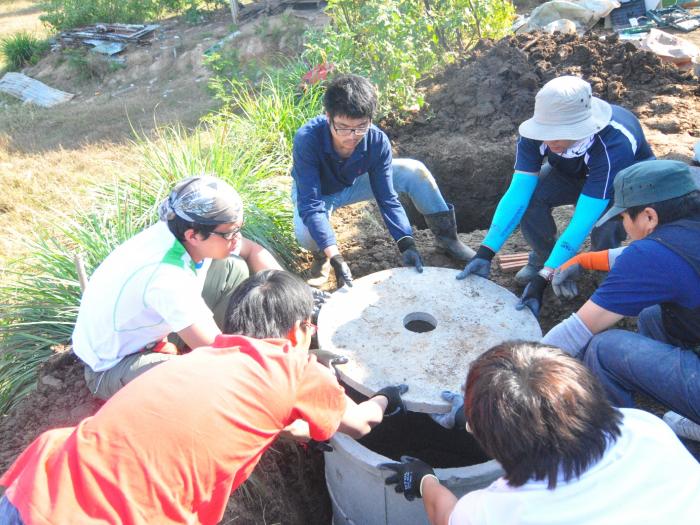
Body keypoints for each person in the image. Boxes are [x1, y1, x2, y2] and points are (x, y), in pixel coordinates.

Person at [0, 270, 407, 525]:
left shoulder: (203, 358)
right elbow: (360, 424)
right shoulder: (294, 368)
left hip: (39, 482)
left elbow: (259, 419)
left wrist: (302, 427)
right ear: (301, 331)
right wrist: (385, 399)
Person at [381, 341, 700, 525]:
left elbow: (444, 515)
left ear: (497, 445)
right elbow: (552, 418)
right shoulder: (644, 427)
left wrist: (424, 479)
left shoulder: (501, 512)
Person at [71, 175, 290, 400]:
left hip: (149, 330)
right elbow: (217, 350)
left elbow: (251, 250)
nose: (237, 239)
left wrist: (291, 294)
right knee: (203, 383)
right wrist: (278, 366)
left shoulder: (182, 231)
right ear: (193, 235)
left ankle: (195, 344)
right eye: (230, 233)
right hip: (112, 367)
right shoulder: (167, 276)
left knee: (233, 268)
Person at [457, 75, 654, 317]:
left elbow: (583, 219)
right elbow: (518, 193)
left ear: (580, 128)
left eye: (558, 135)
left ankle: (596, 270)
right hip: (571, 170)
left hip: (625, 178)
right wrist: (486, 252)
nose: (550, 141)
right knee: (532, 198)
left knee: (605, 224)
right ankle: (544, 258)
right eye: (545, 133)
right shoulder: (537, 134)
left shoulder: (613, 144)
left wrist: (542, 280)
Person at [543, 159, 700, 442]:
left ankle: (622, 443)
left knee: (605, 349)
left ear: (649, 217)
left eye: (624, 217)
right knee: (654, 315)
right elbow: (671, 259)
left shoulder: (653, 257)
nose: (624, 227)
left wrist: (504, 379)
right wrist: (587, 259)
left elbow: (577, 329)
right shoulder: (690, 225)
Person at [292, 73, 474, 288]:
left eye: (361, 126)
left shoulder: (376, 141)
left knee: (414, 171)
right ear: (328, 116)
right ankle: (321, 257)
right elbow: (311, 204)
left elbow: (386, 197)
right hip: (319, 192)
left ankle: (448, 239)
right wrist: (335, 256)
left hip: (354, 182)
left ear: (370, 119)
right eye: (342, 127)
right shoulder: (307, 139)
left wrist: (406, 244)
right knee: (306, 233)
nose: (352, 136)